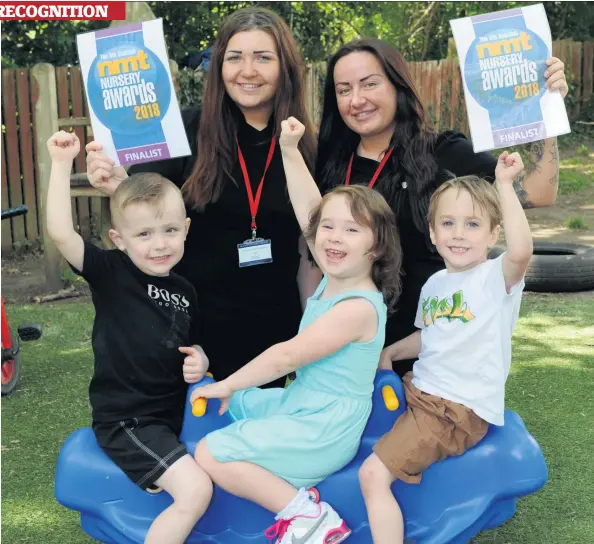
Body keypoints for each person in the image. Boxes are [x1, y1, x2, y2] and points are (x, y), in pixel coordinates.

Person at [185, 117, 402, 544]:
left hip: (324, 428)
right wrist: (289, 149)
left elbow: (286, 357)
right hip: (304, 403)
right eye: (329, 228)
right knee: (239, 405)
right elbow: (311, 209)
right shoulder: (334, 277)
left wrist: (227, 382)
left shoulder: (356, 307)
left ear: (375, 247)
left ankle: (308, 517)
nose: (334, 237)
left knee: (211, 453)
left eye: (352, 230)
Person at [85, 7, 322, 388]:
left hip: (270, 329)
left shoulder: (302, 142)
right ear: (219, 66)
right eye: (235, 57)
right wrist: (117, 184)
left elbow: (309, 241)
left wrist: (311, 322)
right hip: (191, 328)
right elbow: (146, 208)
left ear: (285, 68)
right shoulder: (183, 130)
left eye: (263, 57)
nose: (248, 71)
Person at [316, 38, 567, 377]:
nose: (356, 100)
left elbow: (537, 193)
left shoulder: (443, 152)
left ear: (397, 85)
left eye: (370, 84)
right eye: (344, 90)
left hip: (428, 356)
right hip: (346, 348)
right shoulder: (328, 165)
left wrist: (548, 113)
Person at [46, 130, 214, 544]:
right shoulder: (111, 272)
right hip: (129, 420)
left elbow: (192, 346)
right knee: (196, 490)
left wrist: (202, 361)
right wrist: (60, 165)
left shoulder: (185, 291)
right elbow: (61, 233)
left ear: (186, 229)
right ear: (119, 240)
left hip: (173, 416)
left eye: (170, 230)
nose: (159, 245)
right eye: (144, 235)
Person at [358, 151, 532, 544]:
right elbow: (430, 335)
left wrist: (503, 184)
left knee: (372, 475)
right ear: (432, 233)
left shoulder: (493, 279)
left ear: (492, 235)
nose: (458, 234)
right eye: (448, 224)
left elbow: (520, 253)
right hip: (422, 391)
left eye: (472, 225)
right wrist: (388, 353)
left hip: (453, 410)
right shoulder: (437, 284)